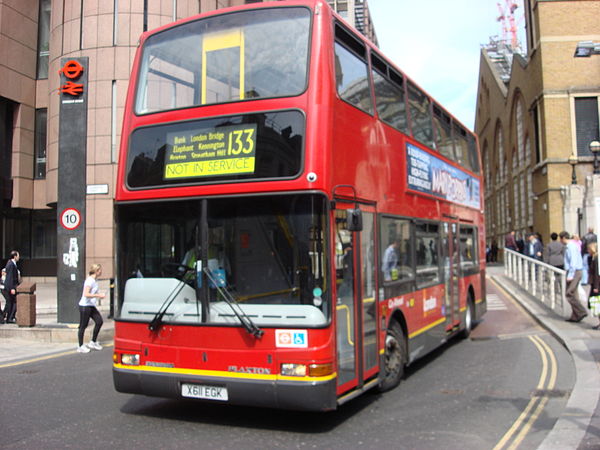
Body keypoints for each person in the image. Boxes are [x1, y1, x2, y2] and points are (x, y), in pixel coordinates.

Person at [77, 263, 105, 353]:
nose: (101, 272)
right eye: (100, 270)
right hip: (85, 306)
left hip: (91, 306)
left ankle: (93, 342)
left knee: (99, 321)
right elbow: (86, 294)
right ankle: (80, 346)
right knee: (83, 326)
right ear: (96, 271)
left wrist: (98, 296)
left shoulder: (94, 280)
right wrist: (98, 295)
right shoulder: (90, 281)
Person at [560, 231, 587, 322]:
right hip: (574, 271)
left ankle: (581, 311)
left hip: (574, 272)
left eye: (561, 239)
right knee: (574, 294)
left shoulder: (570, 247)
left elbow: (573, 262)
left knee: (569, 294)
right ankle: (575, 316)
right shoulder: (570, 246)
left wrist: (570, 275)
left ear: (563, 238)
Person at [3, 250, 20, 324]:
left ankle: (9, 317)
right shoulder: (10, 264)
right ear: (15, 256)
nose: (19, 257)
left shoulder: (12, 264)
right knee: (12, 302)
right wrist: (12, 288)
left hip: (11, 286)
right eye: (18, 256)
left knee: (12, 302)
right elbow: (10, 277)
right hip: (10, 287)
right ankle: (9, 318)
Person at [586, 242, 600, 330]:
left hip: (596, 286)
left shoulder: (596, 259)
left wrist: (596, 287)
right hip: (596, 285)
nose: (588, 251)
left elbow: (596, 274)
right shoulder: (593, 258)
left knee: (596, 303)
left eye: (589, 249)